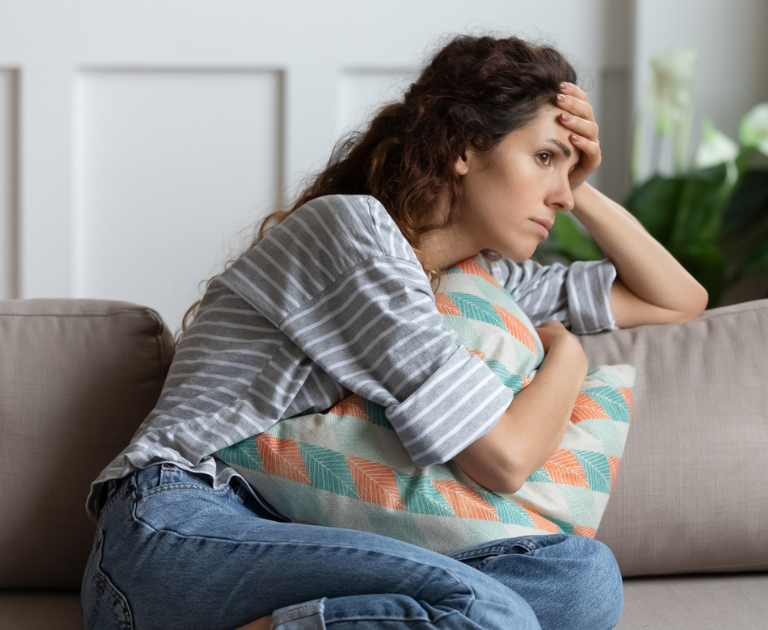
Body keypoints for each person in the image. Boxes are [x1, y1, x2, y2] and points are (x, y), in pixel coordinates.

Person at [80, 33, 709, 630]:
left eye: (565, 172)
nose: (561, 197)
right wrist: (567, 355)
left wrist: (582, 183)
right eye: (543, 157)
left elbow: (679, 299)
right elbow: (505, 459)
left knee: (580, 580)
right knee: (495, 616)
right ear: (464, 148)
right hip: (179, 526)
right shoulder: (354, 235)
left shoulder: (477, 279)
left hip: (294, 529)